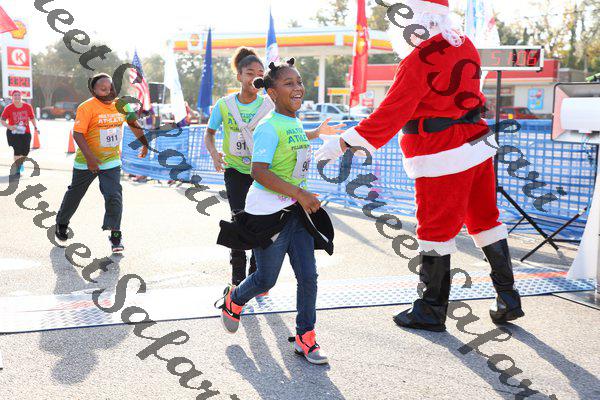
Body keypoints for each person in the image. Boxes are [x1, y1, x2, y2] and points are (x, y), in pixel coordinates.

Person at [315, 0, 524, 331]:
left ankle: (431, 308)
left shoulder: (418, 59)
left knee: (436, 229)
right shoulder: (465, 45)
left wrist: (341, 143)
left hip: (442, 152)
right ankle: (508, 298)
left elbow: (391, 114)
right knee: (485, 220)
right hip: (477, 145)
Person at [216, 58, 345, 364]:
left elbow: (293, 139)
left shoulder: (294, 122)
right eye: (289, 83)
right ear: (272, 93)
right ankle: (234, 298)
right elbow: (258, 171)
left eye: (299, 82)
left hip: (297, 213)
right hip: (268, 216)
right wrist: (300, 192)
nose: (298, 87)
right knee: (265, 280)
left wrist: (317, 133)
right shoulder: (267, 126)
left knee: (308, 276)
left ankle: (305, 336)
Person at [54, 73, 149, 252]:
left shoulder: (122, 104)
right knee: (75, 194)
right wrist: (90, 158)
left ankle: (115, 235)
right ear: (94, 91)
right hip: (86, 161)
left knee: (114, 195)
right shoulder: (86, 107)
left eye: (111, 87)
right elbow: (78, 134)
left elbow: (133, 123)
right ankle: (62, 222)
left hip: (111, 160)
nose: (109, 91)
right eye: (103, 89)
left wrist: (144, 142)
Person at [204, 47, 274, 287]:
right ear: (239, 77)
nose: (255, 77)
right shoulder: (224, 105)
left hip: (262, 171)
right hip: (234, 170)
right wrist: (214, 154)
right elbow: (209, 133)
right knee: (238, 218)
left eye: (260, 73)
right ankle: (237, 275)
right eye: (249, 73)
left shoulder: (269, 106)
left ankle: (256, 273)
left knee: (260, 219)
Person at [1, 90, 39, 177]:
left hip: (26, 132)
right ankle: (17, 168)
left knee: (26, 151)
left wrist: (35, 127)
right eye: (15, 95)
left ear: (21, 97)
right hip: (13, 133)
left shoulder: (27, 106)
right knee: (17, 150)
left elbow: (32, 118)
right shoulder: (8, 108)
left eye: (18, 95)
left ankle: (20, 163)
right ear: (12, 97)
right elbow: (2, 120)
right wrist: (9, 126)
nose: (17, 97)